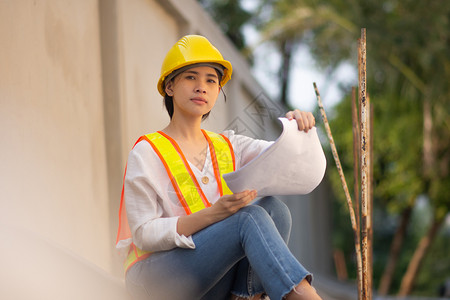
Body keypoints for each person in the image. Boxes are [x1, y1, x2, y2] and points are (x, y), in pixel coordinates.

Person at [116, 35, 322, 300]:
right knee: (248, 218)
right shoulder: (147, 151)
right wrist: (213, 215)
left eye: (211, 81)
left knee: (275, 210)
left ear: (217, 92)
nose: (201, 87)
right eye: (191, 77)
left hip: (209, 281)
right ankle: (301, 294)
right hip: (154, 280)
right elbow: (144, 234)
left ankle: (247, 296)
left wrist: (296, 124)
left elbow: (282, 153)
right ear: (169, 86)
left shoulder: (229, 145)